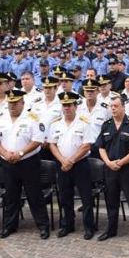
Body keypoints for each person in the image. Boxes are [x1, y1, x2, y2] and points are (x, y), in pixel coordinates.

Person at [0, 89, 50, 239]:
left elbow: (37, 140)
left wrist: (21, 153)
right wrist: (4, 153)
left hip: (28, 163)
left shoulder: (32, 118)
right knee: (10, 196)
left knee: (34, 195)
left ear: (23, 103)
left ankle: (43, 226)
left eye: (16, 103)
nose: (12, 105)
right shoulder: (0, 119)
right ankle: (9, 226)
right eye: (10, 103)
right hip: (8, 163)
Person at [95, 95, 129, 243]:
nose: (113, 109)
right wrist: (108, 163)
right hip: (110, 169)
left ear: (123, 107)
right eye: (111, 106)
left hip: (127, 170)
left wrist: (121, 162)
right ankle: (111, 230)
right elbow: (101, 147)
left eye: (116, 106)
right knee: (111, 201)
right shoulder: (107, 125)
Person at [48, 91, 95, 240]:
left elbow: (86, 145)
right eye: (64, 105)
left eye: (69, 105)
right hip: (62, 165)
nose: (66, 108)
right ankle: (67, 225)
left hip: (80, 164)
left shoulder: (84, 122)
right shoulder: (55, 123)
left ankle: (89, 227)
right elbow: (52, 144)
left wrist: (71, 160)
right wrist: (63, 160)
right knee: (64, 197)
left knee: (86, 197)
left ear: (75, 106)